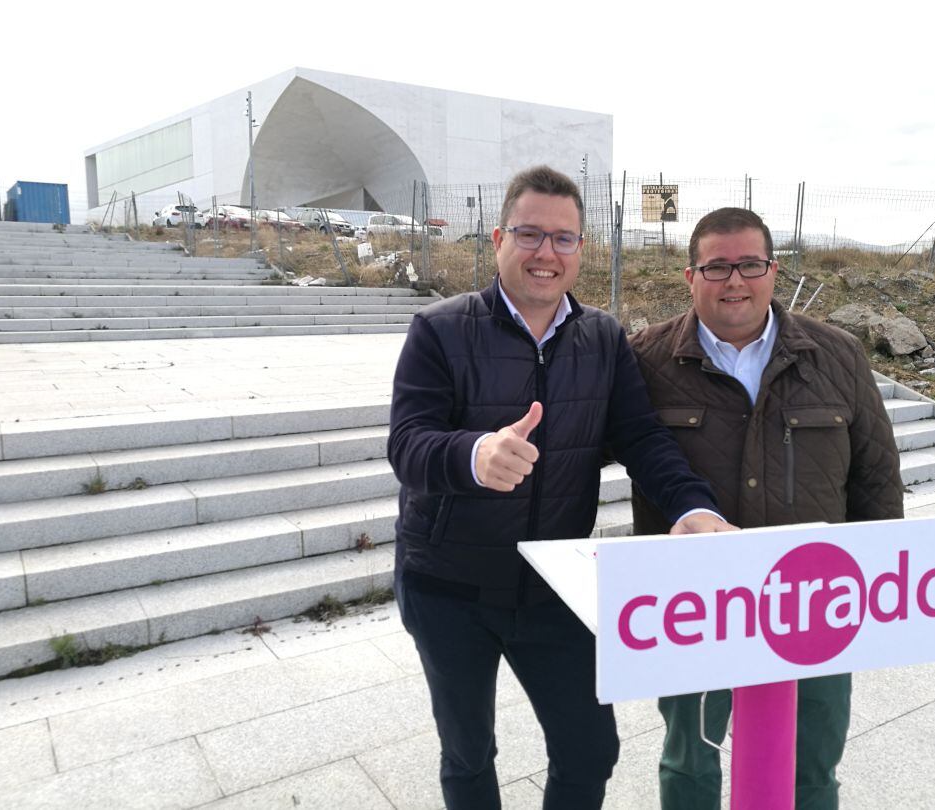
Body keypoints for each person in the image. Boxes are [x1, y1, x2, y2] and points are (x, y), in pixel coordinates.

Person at [387, 166, 736, 810]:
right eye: (530, 234)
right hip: (448, 587)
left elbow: (642, 437)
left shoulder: (602, 338)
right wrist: (473, 453)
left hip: (553, 585)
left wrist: (690, 505)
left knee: (588, 749)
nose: (546, 252)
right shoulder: (439, 330)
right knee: (468, 753)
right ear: (497, 240)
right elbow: (406, 444)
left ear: (582, 250)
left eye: (564, 238)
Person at [629, 207, 905, 810]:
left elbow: (876, 479)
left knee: (812, 766)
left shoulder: (837, 356)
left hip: (816, 603)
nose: (735, 281)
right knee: (690, 761)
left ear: (773, 271)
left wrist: (881, 595)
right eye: (718, 266)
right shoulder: (645, 360)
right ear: (689, 275)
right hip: (692, 608)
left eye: (750, 265)